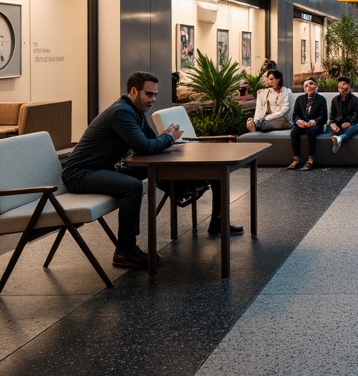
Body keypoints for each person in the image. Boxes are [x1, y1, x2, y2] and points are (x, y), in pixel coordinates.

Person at [63, 71, 241, 270]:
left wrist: (164, 137)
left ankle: (204, 209)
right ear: (133, 91)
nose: (153, 99)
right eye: (149, 94)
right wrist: (169, 138)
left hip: (101, 170)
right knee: (133, 186)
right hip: (80, 174)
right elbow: (145, 147)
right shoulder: (121, 113)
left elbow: (150, 140)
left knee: (167, 169)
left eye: (155, 95)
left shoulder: (136, 112)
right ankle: (125, 251)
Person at [289, 77, 327, 170]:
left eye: (311, 84)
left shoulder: (321, 99)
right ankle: (296, 159)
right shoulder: (300, 99)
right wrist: (299, 121)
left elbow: (323, 117)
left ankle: (310, 160)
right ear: (304, 88)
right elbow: (295, 114)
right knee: (294, 132)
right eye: (306, 85)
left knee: (310, 131)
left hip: (315, 125)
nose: (308, 86)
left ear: (316, 86)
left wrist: (311, 123)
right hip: (303, 125)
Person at [327, 76, 358, 153]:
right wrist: (332, 124)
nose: (341, 85)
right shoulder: (335, 100)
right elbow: (332, 117)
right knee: (327, 127)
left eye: (344, 84)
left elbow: (357, 116)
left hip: (353, 124)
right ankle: (337, 140)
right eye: (340, 83)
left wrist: (349, 123)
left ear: (349, 87)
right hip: (339, 124)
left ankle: (339, 139)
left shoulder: (355, 100)